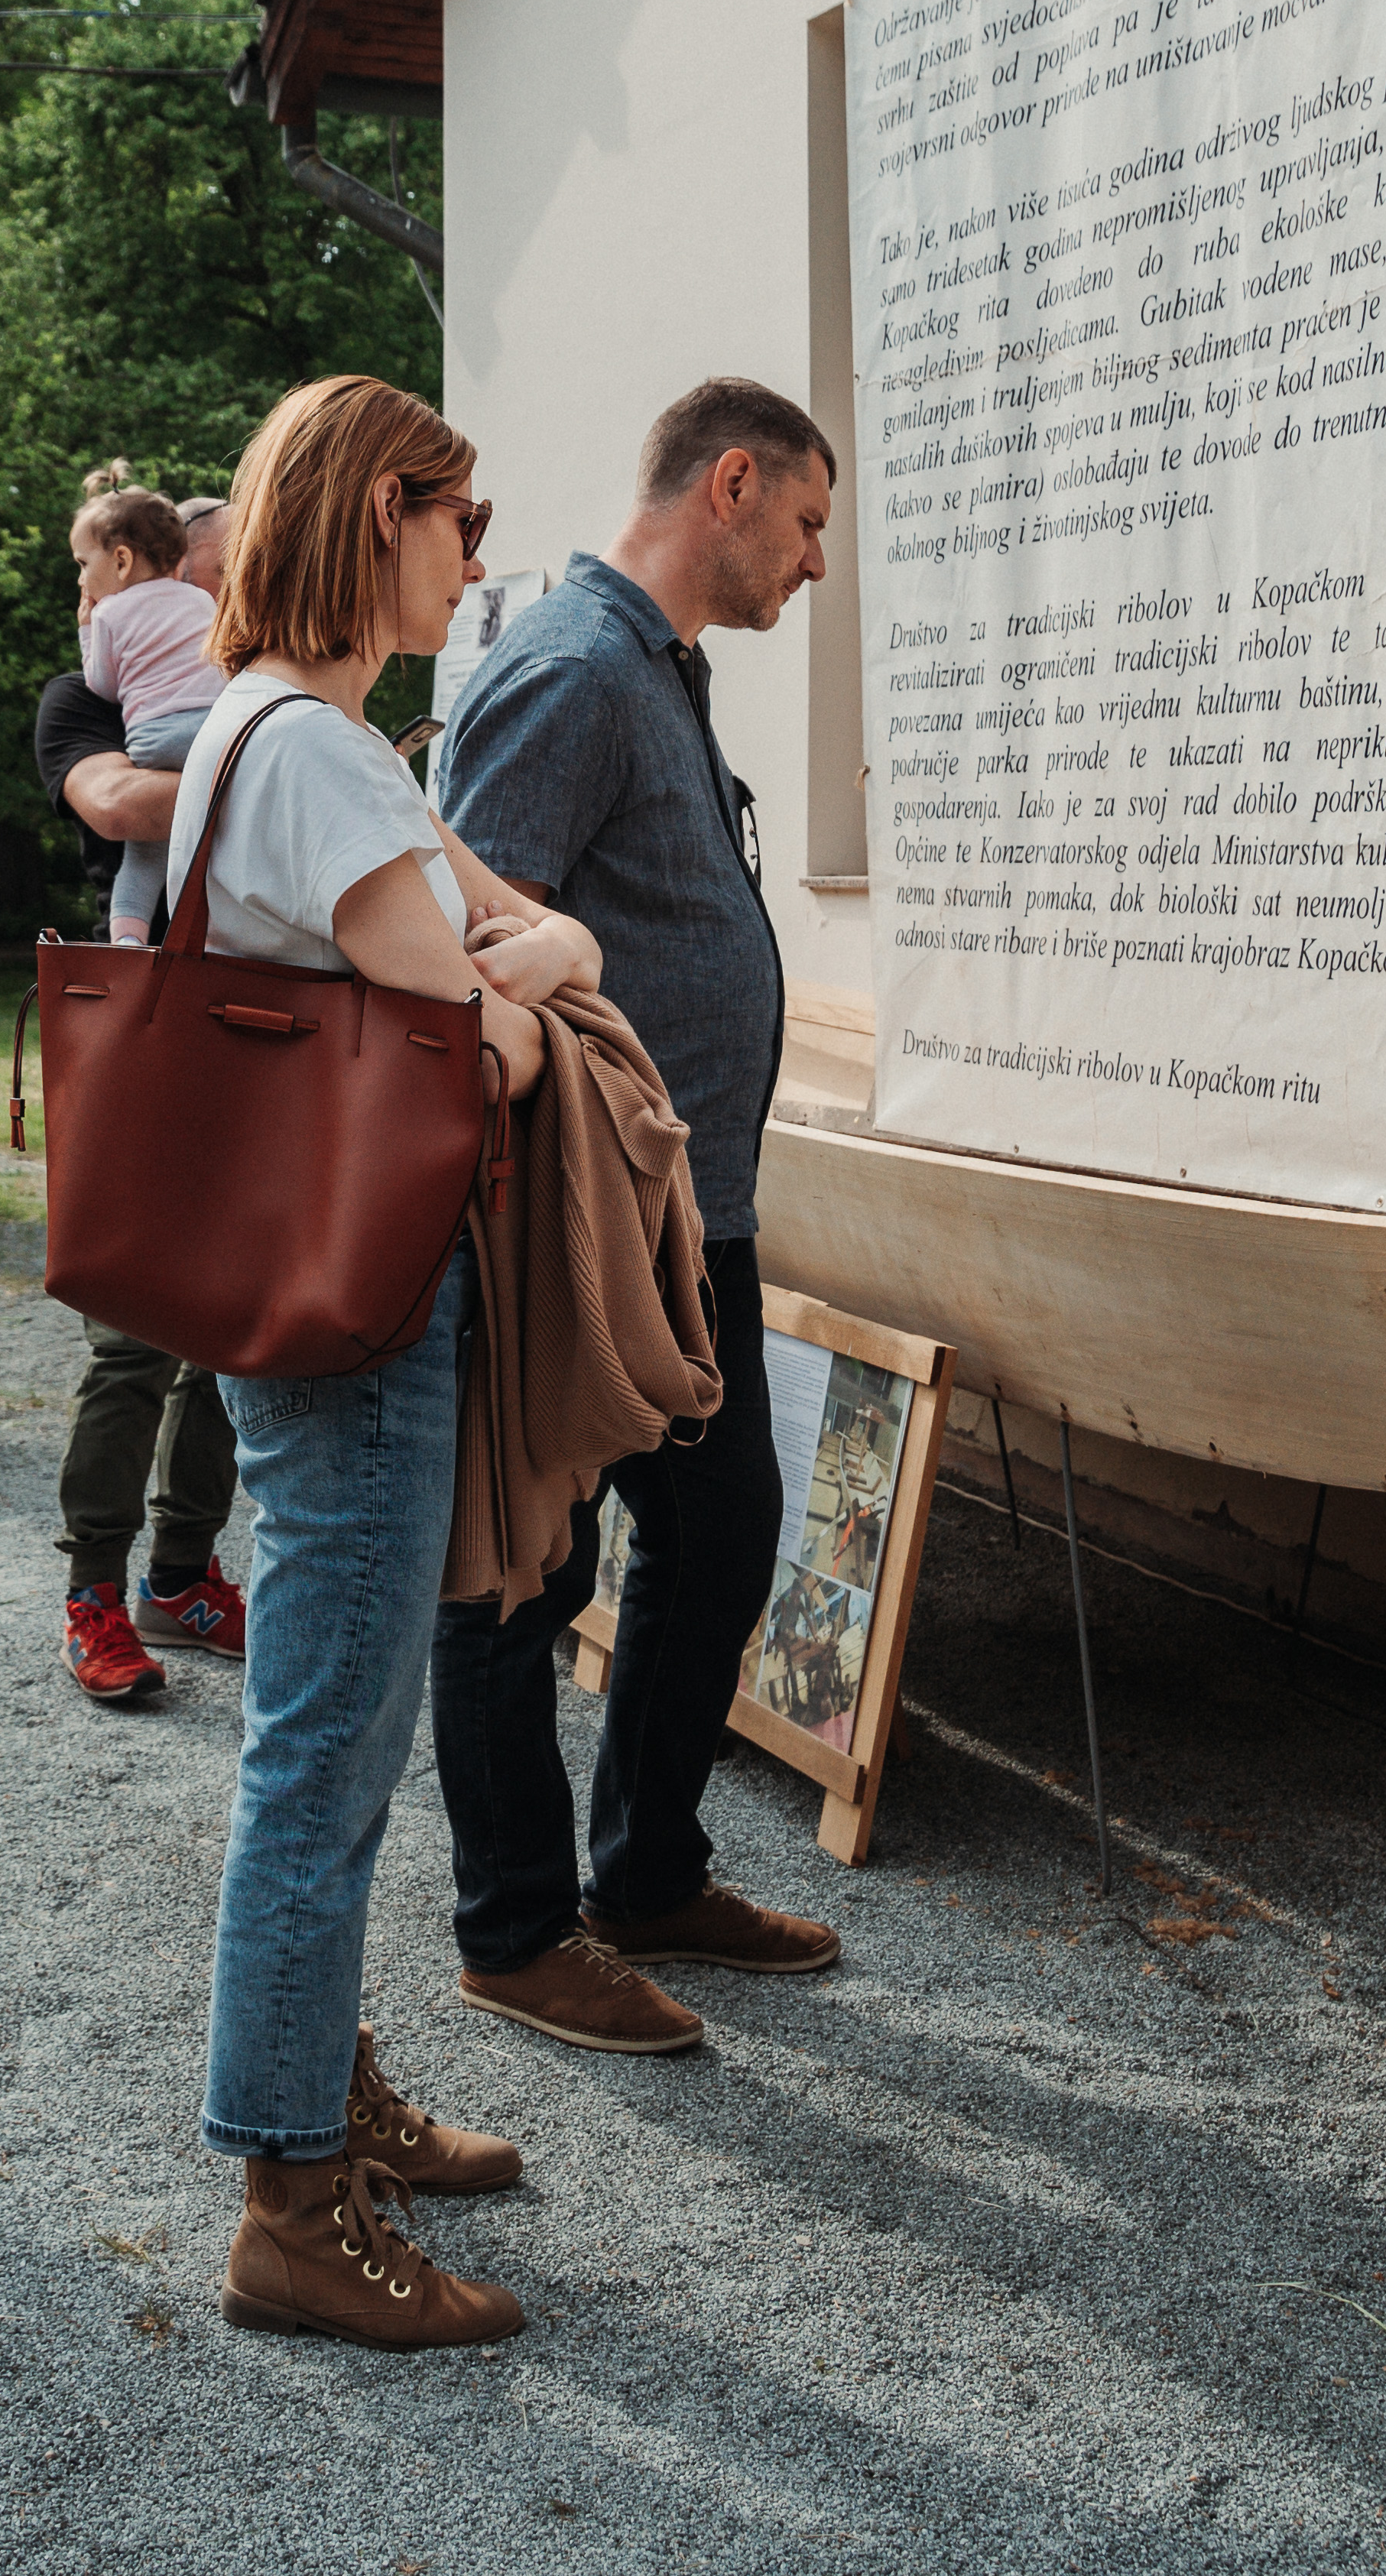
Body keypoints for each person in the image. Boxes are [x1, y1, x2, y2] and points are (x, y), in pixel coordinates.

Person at [178, 371, 602, 2351]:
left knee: (334, 1734)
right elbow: (482, 1036)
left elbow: (528, 951)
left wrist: (523, 972)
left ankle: (315, 2094)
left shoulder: (291, 738)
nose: (482, 551)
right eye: (458, 515)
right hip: (356, 1314)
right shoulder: (325, 761)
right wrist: (524, 989)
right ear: (375, 519)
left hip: (314, 1292)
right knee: (327, 1750)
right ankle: (292, 2198)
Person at [429, 375, 844, 2057]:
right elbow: (463, 937)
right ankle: (518, 1928)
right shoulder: (576, 669)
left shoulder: (651, 665)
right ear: (729, 484)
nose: (817, 563)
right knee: (532, 1565)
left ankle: (648, 1870)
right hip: (575, 1226)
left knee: (724, 1525)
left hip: (686, 1214)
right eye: (810, 521)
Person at [27, 492, 243, 1706]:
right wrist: (272, 770)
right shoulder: (87, 699)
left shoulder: (237, 690)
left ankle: (183, 1573)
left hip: (251, 1031)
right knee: (135, 1339)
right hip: (139, 1036)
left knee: (223, 1329)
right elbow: (119, 805)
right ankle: (95, 1591)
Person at [73, 474, 226, 939]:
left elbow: (102, 684)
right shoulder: (202, 601)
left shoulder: (107, 614)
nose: (81, 577)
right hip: (215, 733)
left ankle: (128, 941)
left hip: (155, 739)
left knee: (144, 857)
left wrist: (86, 628)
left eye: (83, 564)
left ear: (120, 561)